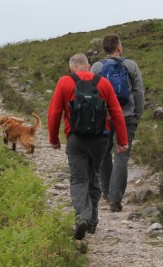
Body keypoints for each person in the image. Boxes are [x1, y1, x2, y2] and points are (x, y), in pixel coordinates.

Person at [48, 53, 129, 240]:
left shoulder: (64, 82)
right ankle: (92, 220)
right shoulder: (103, 83)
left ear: (71, 67)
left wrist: (54, 138)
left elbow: (54, 112)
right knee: (94, 176)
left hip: (76, 138)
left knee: (78, 179)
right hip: (101, 139)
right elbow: (116, 112)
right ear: (89, 65)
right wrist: (122, 140)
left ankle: (82, 217)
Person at [90, 34, 145, 212]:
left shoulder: (97, 67)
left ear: (104, 49)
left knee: (105, 153)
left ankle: (106, 192)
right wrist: (138, 113)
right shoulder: (130, 65)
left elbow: (91, 93)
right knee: (122, 156)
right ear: (119, 47)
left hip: (103, 118)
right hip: (127, 116)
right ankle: (116, 200)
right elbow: (138, 92)